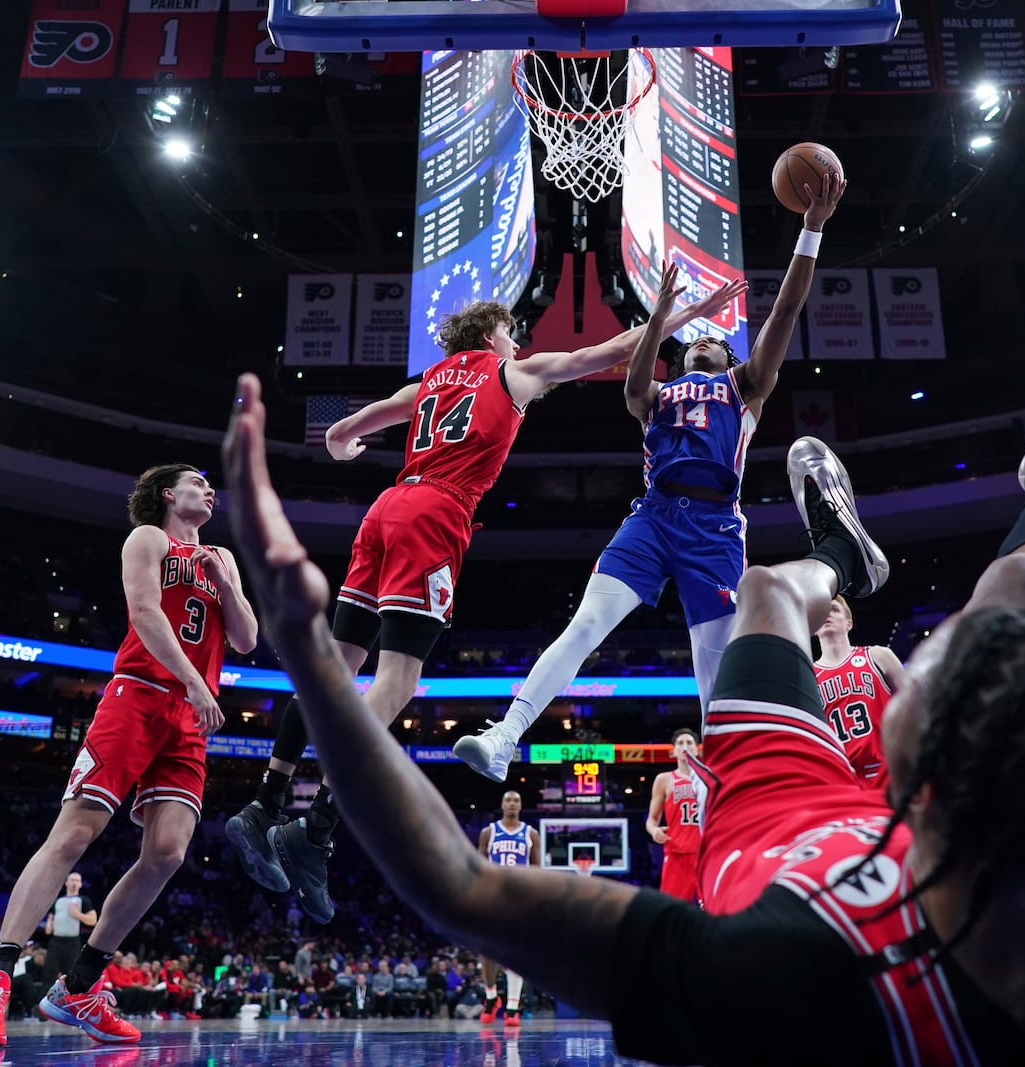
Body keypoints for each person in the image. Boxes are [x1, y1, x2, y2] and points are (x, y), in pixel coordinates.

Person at [220, 327, 1025, 1065]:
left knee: (787, 594)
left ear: (906, 757)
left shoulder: (801, 976)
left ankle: (843, 546)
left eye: (921, 668)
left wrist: (309, 656)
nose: (914, 656)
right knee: (1020, 588)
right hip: (886, 814)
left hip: (779, 808)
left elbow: (458, 882)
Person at [225, 284, 741, 924]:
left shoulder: (428, 383)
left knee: (332, 667)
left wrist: (345, 442)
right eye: (511, 333)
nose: (518, 342)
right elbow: (607, 350)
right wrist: (679, 316)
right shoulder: (511, 373)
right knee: (397, 684)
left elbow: (340, 433)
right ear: (492, 337)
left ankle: (266, 805)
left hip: (383, 511)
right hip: (434, 515)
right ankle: (315, 832)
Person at [456, 180, 845, 785]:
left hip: (714, 529)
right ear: (679, 357)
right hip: (653, 518)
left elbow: (788, 308)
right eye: (698, 341)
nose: (708, 342)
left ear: (728, 357)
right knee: (583, 626)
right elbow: (634, 383)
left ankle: (730, 786)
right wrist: (661, 315)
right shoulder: (656, 394)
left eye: (717, 340)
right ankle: (505, 736)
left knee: (711, 673)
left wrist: (812, 226)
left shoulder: (747, 386)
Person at [0, 464, 257, 1047]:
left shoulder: (220, 556)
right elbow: (144, 614)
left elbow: (245, 638)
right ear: (169, 495)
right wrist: (195, 681)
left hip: (189, 718)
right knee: (74, 835)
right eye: (198, 481)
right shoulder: (149, 538)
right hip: (139, 696)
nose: (210, 489)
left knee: (168, 853)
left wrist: (228, 586)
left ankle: (80, 985)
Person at [813, 595, 904, 787]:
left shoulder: (878, 656)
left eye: (834, 609)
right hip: (841, 779)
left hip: (885, 772)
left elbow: (914, 707)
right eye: (822, 611)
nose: (827, 615)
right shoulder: (808, 676)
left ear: (849, 624)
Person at [477, 790, 539, 1028]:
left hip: (519, 899)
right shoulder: (488, 832)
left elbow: (537, 871)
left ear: (521, 806)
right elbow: (478, 867)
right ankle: (491, 997)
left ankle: (512, 1007)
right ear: (502, 804)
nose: (512, 804)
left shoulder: (530, 833)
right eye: (508, 800)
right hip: (493, 897)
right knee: (487, 951)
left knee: (515, 954)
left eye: (516, 800)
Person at [645, 728, 703, 904]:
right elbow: (652, 820)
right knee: (672, 911)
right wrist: (654, 831)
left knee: (712, 911)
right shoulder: (664, 779)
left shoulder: (708, 778)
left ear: (697, 749)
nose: (685, 746)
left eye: (689, 743)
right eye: (680, 743)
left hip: (705, 854)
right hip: (677, 854)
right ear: (673, 751)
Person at [41, 872, 96, 986]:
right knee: (49, 972)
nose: (74, 882)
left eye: (77, 880)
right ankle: (44, 1000)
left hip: (72, 942)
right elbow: (52, 916)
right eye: (72, 880)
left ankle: (68, 1000)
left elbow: (93, 920)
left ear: (80, 884)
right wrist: (49, 924)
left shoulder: (83, 900)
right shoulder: (58, 901)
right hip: (56, 941)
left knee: (70, 973)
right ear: (66, 883)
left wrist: (77, 914)